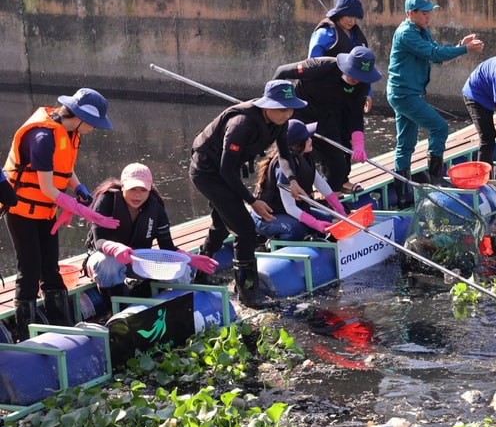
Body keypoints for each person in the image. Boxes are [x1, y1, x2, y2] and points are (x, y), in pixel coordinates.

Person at [3, 88, 118, 341]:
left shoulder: (68, 130)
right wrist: (78, 208)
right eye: (94, 125)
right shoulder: (43, 137)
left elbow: (64, 167)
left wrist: (77, 187)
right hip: (21, 210)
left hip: (45, 210)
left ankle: (60, 324)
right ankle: (27, 333)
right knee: (29, 269)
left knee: (51, 269)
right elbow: (46, 187)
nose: (94, 129)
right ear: (80, 118)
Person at [189, 79, 307, 308]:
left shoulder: (279, 122)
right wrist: (252, 201)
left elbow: (284, 155)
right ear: (267, 106)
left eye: (291, 108)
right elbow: (225, 169)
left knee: (221, 224)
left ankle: (200, 272)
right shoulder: (241, 124)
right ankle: (248, 293)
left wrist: (292, 180)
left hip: (227, 170)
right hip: (208, 171)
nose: (287, 114)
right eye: (282, 109)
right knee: (244, 228)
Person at [386, 0, 484, 207]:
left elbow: (438, 55)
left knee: (406, 143)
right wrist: (465, 49)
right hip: (403, 94)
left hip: (407, 93)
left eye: (430, 12)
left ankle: (403, 196)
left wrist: (459, 46)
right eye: (424, 13)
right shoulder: (406, 34)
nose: (428, 16)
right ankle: (435, 179)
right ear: (411, 13)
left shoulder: (422, 30)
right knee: (439, 127)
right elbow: (435, 54)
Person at [86, 163, 218, 315]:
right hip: (108, 256)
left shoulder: (155, 208)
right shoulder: (107, 200)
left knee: (182, 271)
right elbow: (99, 241)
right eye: (132, 189)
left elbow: (167, 247)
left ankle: (157, 301)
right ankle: (117, 310)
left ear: (149, 189)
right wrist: (115, 248)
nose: (137, 195)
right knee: (106, 263)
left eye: (143, 190)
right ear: (123, 186)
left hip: (139, 259)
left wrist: (187, 258)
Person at [271, 46, 382, 195]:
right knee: (298, 158)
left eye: (361, 76)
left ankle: (332, 202)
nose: (356, 79)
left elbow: (355, 115)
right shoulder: (320, 66)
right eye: (353, 73)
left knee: (338, 164)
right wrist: (272, 105)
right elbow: (281, 71)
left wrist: (358, 143)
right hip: (298, 114)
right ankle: (297, 197)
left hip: (325, 117)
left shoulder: (362, 83)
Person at [251, 119, 347, 241]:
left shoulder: (305, 156)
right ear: (295, 145)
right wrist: (314, 223)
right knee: (296, 228)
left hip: (287, 211)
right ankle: (270, 241)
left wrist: (339, 209)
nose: (311, 140)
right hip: (269, 215)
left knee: (327, 218)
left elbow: (320, 184)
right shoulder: (282, 169)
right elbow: (289, 207)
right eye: (306, 139)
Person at [308, 0, 374, 114]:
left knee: (353, 127)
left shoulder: (357, 35)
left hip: (352, 93)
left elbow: (365, 67)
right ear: (339, 14)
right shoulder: (324, 34)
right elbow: (313, 64)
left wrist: (367, 93)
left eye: (356, 18)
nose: (353, 21)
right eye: (349, 16)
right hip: (328, 92)